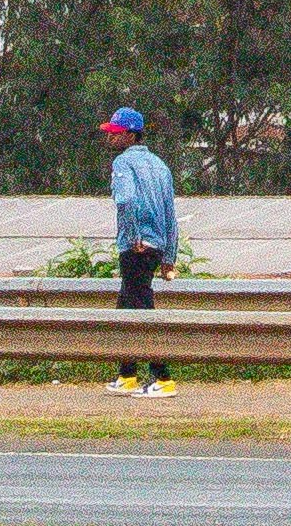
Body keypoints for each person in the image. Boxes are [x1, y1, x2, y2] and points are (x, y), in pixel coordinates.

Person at [104, 104, 179, 396]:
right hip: (157, 246)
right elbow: (170, 214)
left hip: (135, 246)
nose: (110, 138)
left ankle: (163, 378)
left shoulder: (123, 164)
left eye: (116, 133)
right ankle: (127, 374)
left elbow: (126, 202)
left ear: (131, 135)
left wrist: (134, 236)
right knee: (126, 306)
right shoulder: (160, 165)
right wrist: (169, 257)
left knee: (141, 309)